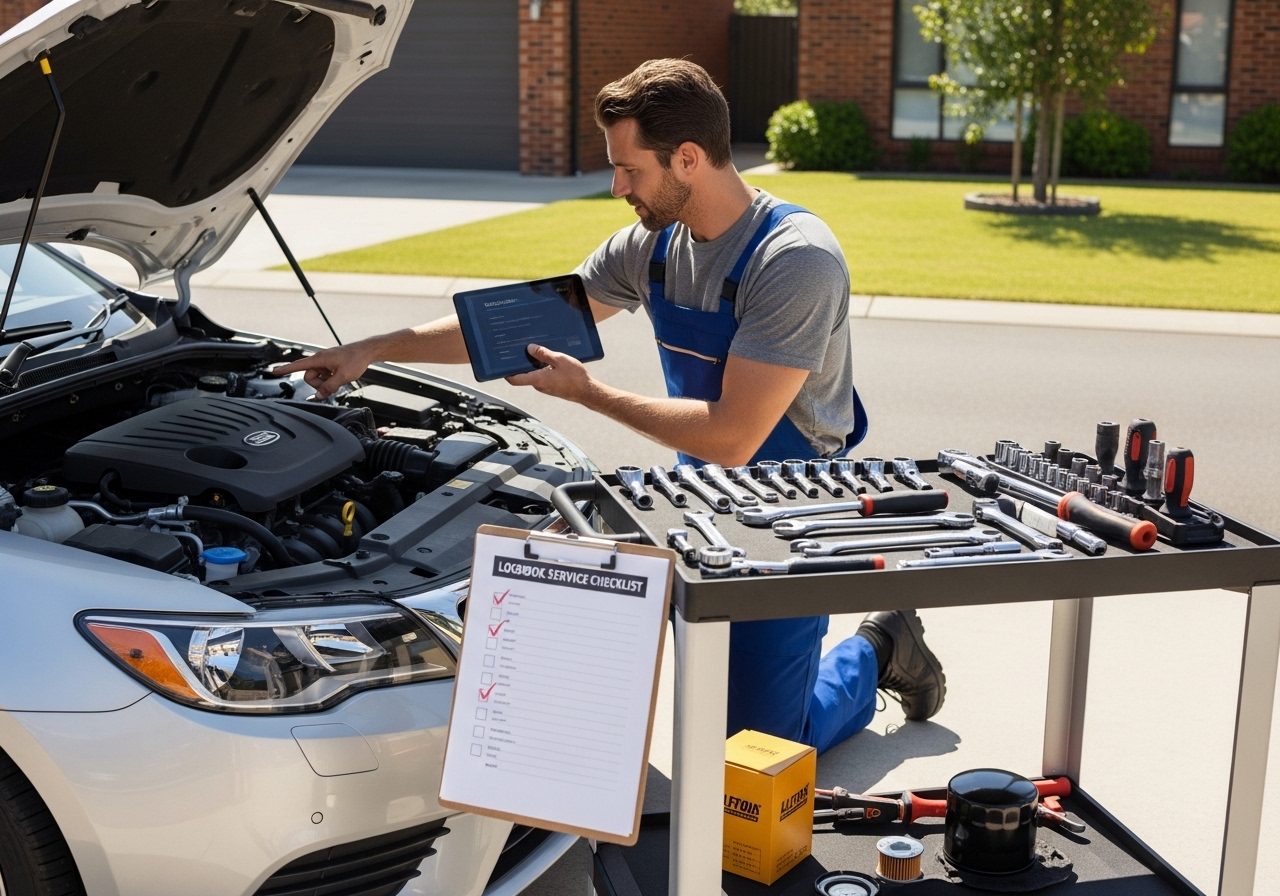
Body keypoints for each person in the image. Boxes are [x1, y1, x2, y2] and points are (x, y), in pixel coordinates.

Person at [274, 59, 945, 753]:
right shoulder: (652, 245)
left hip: (791, 506)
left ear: (688, 158)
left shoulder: (794, 261)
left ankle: (882, 644)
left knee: (766, 746)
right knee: (714, 722)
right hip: (706, 491)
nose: (618, 187)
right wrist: (371, 350)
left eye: (631, 171)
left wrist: (587, 393)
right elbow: (516, 327)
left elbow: (735, 436)